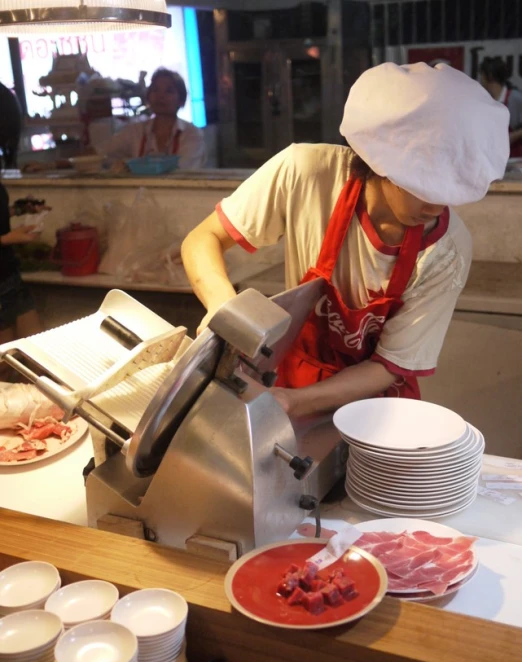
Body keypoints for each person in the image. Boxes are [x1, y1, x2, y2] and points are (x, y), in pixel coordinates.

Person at [181, 62, 509, 418]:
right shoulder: (305, 173)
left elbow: (389, 366)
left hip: (377, 405)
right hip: (290, 376)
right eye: (422, 183)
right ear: (381, 158)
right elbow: (203, 239)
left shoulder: (448, 251)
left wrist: (292, 403)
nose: (435, 204)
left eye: (451, 189)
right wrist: (223, 310)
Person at [25, 69, 206, 173]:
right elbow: (96, 152)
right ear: (148, 95)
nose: (161, 96)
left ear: (181, 99)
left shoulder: (192, 135)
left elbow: (182, 170)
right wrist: (50, 165)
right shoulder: (135, 132)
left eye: (169, 91)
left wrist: (128, 166)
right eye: (156, 90)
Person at [0, 83, 45, 345]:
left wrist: (18, 210)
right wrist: (9, 238)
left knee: (39, 351)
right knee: (5, 368)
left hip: (9, 277)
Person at [479, 56, 522, 157]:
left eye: (481, 74)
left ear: (489, 76)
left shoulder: (514, 98)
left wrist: (510, 137)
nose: (480, 79)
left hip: (515, 160)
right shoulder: (485, 101)